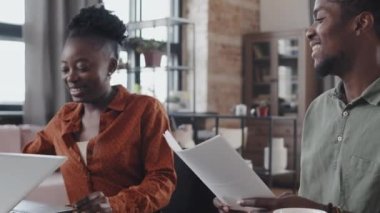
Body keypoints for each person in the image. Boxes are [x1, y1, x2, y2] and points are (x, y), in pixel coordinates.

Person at [215, 0, 380, 212]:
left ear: (361, 23)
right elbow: (308, 200)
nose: (309, 32)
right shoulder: (318, 110)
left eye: (320, 19)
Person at [23, 4, 176, 213]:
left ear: (111, 67)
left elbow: (162, 179)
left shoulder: (145, 110)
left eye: (82, 67)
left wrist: (115, 206)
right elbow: (26, 161)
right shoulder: (63, 118)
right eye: (65, 69)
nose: (71, 77)